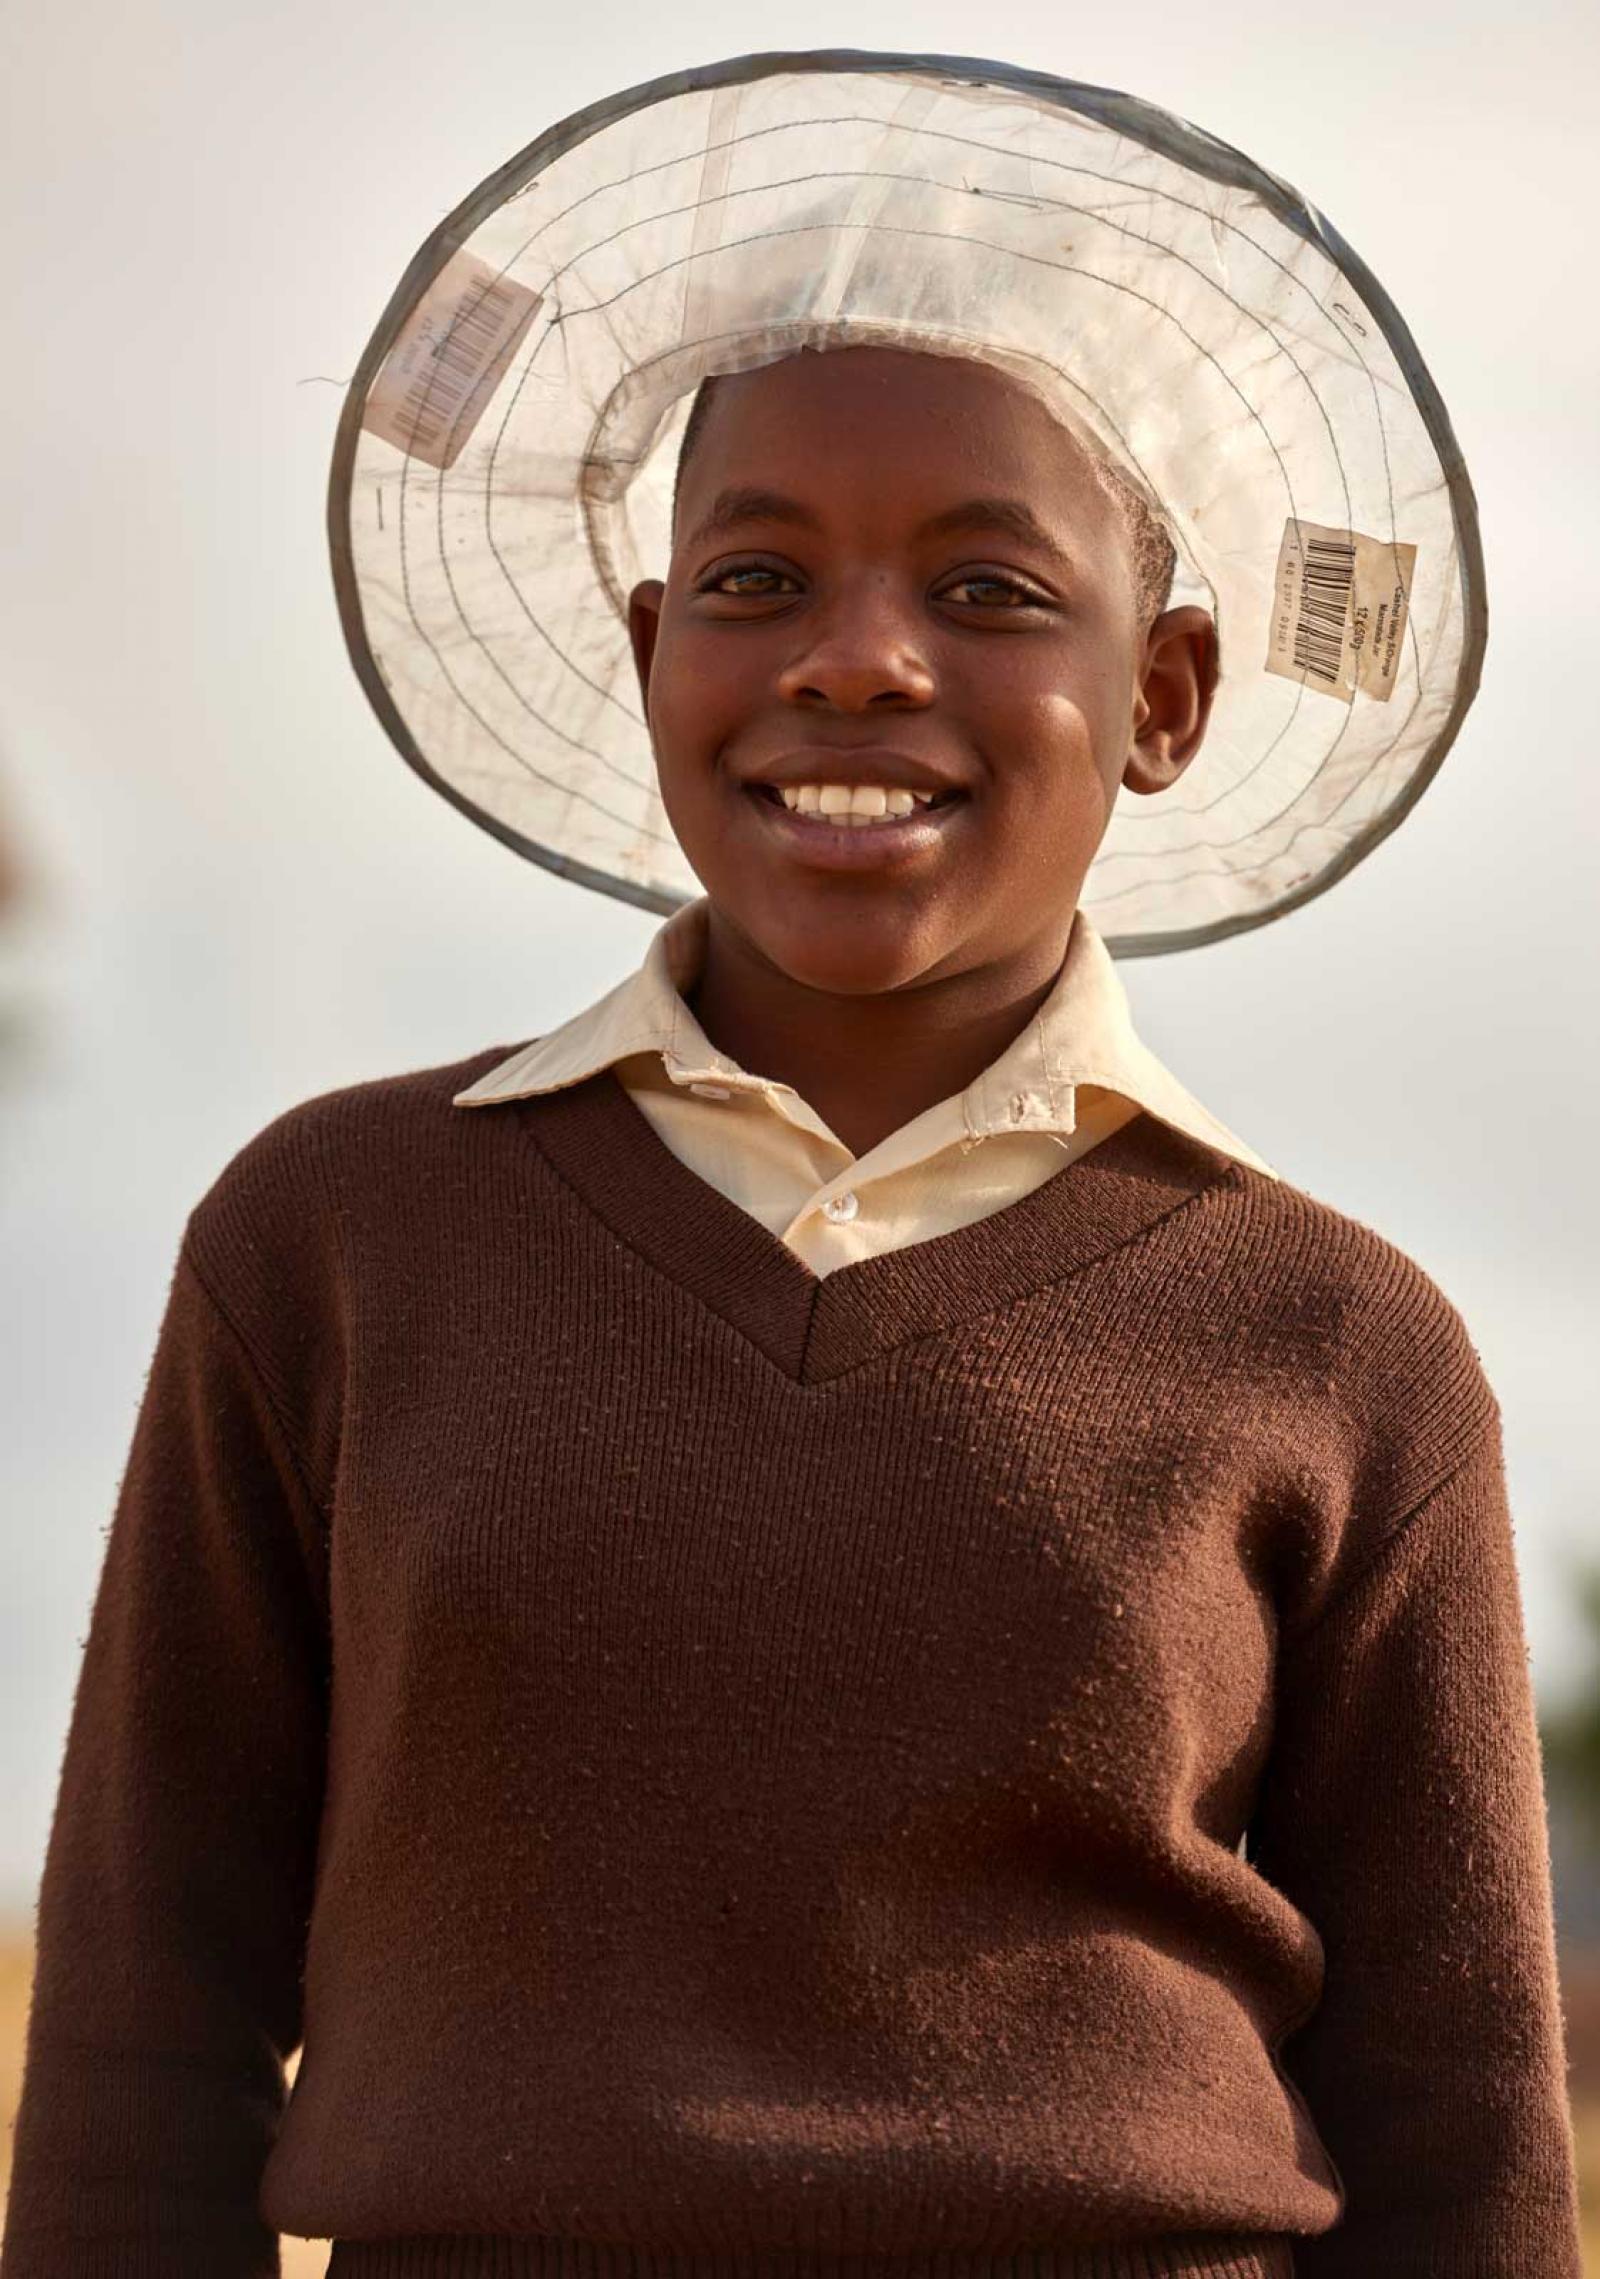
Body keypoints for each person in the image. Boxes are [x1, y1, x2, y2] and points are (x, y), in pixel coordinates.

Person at [1, 51, 1583, 2279]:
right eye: (751, 578)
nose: (853, 663)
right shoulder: (334, 1241)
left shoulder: (1339, 1346)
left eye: (990, 591)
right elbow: (139, 2039)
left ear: (1167, 693)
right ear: (652, 659)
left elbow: (1461, 2153)